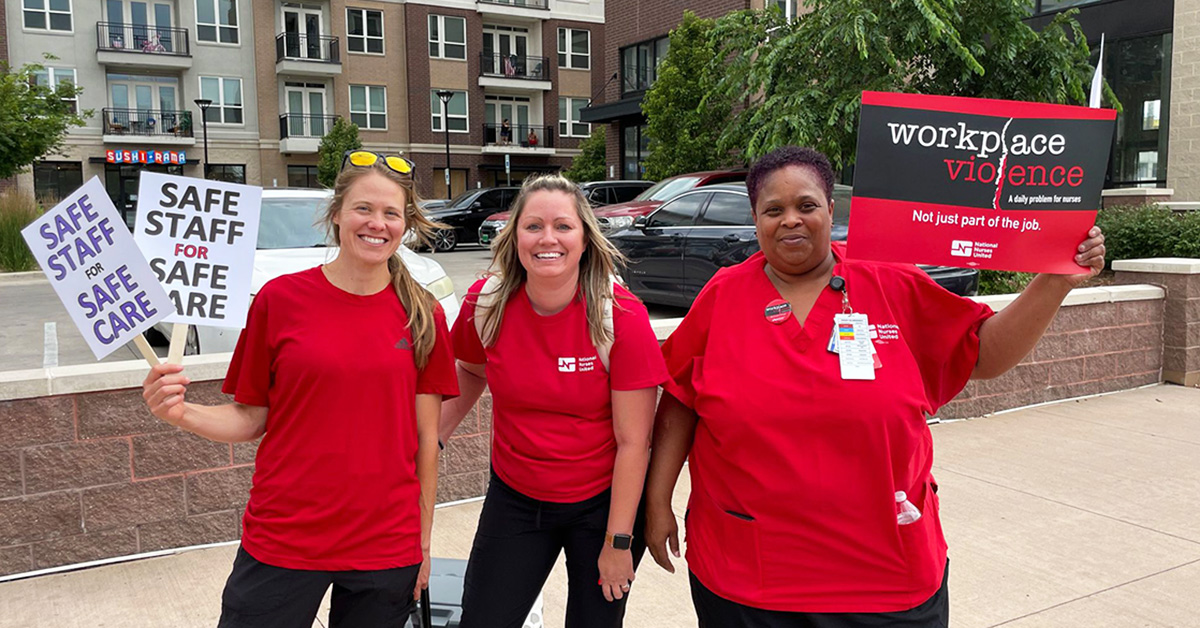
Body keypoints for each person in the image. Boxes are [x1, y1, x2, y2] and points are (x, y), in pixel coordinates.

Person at [643, 146, 1107, 626]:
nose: (791, 221)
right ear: (755, 217)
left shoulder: (890, 282)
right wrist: (657, 504)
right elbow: (680, 400)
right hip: (750, 573)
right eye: (773, 210)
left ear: (830, 209)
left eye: (806, 205)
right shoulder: (723, 296)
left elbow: (982, 355)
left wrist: (1054, 282)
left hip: (886, 577)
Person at [140, 151, 459, 628]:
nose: (377, 224)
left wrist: (424, 544)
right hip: (284, 535)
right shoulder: (280, 299)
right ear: (336, 216)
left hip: (386, 543)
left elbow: (425, 445)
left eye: (392, 213)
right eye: (363, 209)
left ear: (406, 224)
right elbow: (251, 418)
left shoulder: (423, 314)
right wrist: (179, 413)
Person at [439, 174, 668, 628]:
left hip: (602, 504)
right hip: (516, 497)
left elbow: (634, 443)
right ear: (515, 235)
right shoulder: (485, 305)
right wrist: (428, 441)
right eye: (533, 226)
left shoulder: (618, 316)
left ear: (584, 238)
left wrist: (619, 543)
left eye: (563, 226)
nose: (548, 239)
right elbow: (469, 369)